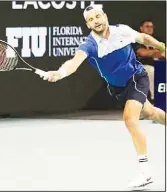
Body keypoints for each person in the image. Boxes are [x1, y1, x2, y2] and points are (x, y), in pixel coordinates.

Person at [39, 5, 166, 189]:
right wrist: (59, 73)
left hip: (136, 77)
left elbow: (143, 38)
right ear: (87, 24)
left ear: (105, 16)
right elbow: (74, 63)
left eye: (98, 16)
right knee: (151, 112)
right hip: (118, 87)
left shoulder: (121, 31)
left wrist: (162, 47)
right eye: (91, 19)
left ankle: (145, 171)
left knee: (130, 119)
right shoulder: (89, 45)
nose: (96, 21)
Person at [134, 20, 165, 102]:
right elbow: (142, 53)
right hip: (140, 67)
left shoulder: (156, 41)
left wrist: (159, 53)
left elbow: (162, 55)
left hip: (157, 65)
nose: (150, 28)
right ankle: (155, 99)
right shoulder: (137, 40)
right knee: (151, 70)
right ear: (141, 28)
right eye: (147, 26)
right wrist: (156, 52)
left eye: (151, 27)